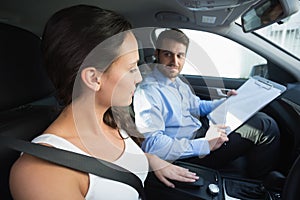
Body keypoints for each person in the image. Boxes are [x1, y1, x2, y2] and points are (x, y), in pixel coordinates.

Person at [9, 6, 199, 200]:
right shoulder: (41, 174)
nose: (140, 77)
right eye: (132, 68)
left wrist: (151, 161)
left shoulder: (111, 117)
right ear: (94, 78)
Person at [133, 28, 280, 179]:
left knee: (257, 116)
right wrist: (204, 144)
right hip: (189, 153)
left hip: (202, 131)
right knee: (264, 126)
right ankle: (262, 186)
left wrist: (228, 102)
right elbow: (153, 145)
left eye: (180, 55)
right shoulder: (148, 92)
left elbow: (197, 106)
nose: (174, 62)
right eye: (167, 54)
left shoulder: (177, 81)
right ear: (157, 54)